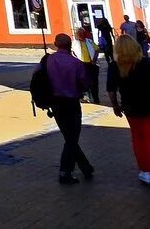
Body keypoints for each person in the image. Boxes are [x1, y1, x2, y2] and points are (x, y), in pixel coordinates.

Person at [107, 34, 150, 189]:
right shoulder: (148, 63)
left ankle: (144, 171)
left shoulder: (114, 66)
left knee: (137, 139)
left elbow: (111, 90)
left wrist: (115, 106)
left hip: (130, 108)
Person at [46, 33, 94, 184]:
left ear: (56, 44)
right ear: (70, 46)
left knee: (69, 137)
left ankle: (85, 167)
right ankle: (64, 172)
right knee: (72, 138)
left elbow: (39, 78)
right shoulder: (75, 63)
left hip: (55, 103)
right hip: (72, 102)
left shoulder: (48, 60)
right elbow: (85, 83)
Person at [74, 20, 100, 104]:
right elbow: (72, 52)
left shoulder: (89, 41)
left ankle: (96, 98)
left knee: (94, 82)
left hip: (91, 64)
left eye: (82, 33)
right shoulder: (74, 43)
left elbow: (97, 50)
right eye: (79, 34)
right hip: (81, 64)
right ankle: (85, 96)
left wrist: (94, 59)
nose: (81, 35)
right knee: (84, 82)